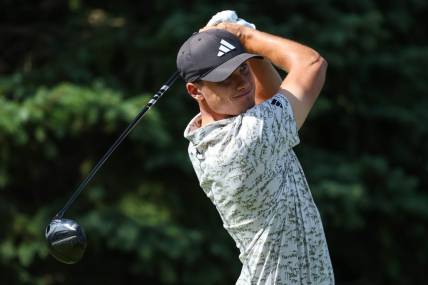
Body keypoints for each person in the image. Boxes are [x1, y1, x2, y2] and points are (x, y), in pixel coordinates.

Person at [177, 19, 334, 285]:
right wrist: (243, 34)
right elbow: (312, 64)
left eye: (243, 68)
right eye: (225, 78)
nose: (242, 83)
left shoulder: (207, 136)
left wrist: (246, 49)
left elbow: (271, 99)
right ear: (195, 91)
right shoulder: (244, 144)